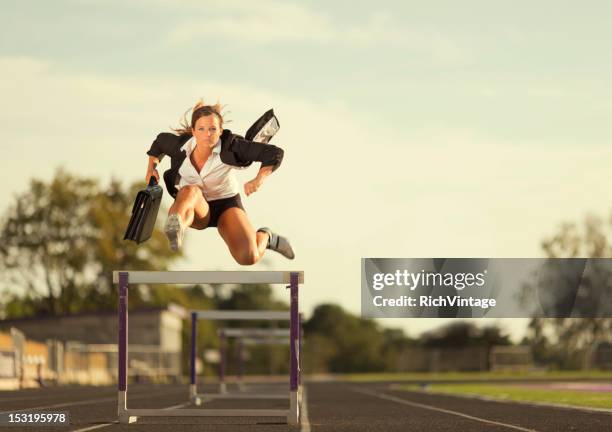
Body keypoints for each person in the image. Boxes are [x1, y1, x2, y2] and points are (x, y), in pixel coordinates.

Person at [145, 100, 294, 264]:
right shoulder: (178, 146)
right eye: (201, 129)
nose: (207, 134)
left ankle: (267, 237)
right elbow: (159, 144)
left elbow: (274, 153)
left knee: (248, 257)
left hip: (226, 205)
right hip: (196, 207)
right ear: (193, 131)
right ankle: (176, 226)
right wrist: (151, 168)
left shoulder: (232, 146)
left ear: (220, 131)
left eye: (212, 129)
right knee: (190, 191)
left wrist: (258, 179)